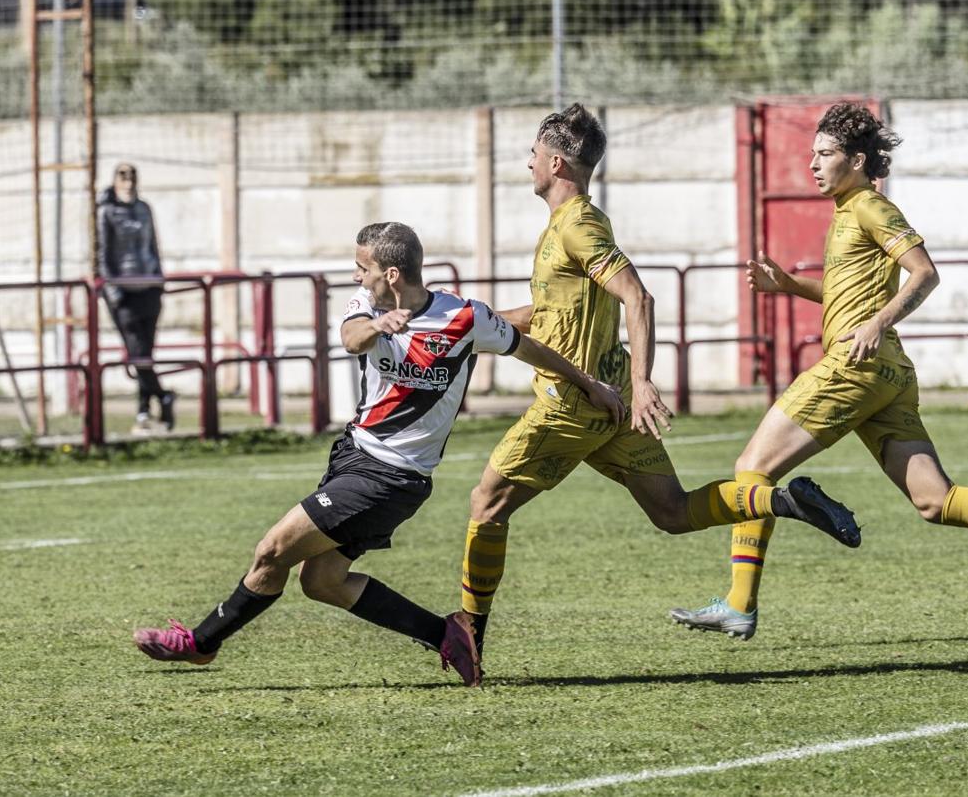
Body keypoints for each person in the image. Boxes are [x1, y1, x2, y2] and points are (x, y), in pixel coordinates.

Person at [670, 102, 968, 638]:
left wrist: (877, 322)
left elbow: (924, 274)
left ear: (855, 160)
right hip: (888, 375)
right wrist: (790, 286)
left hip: (855, 367)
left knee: (752, 470)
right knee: (934, 500)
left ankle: (740, 602)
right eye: (812, 154)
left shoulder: (871, 208)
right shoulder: (847, 212)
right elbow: (843, 294)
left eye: (825, 154)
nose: (813, 164)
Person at [133, 222, 629, 686]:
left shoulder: (464, 317)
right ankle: (446, 634)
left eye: (364, 268)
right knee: (323, 581)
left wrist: (591, 386)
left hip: (393, 478)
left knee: (272, 551)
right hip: (352, 456)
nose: (357, 275)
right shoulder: (365, 304)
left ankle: (201, 642)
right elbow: (350, 338)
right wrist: (378, 326)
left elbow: (527, 347)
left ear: (391, 273)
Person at [457, 103, 863, 665]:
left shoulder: (577, 223)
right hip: (611, 403)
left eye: (532, 154)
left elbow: (637, 296)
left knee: (486, 503)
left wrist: (645, 381)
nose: (527, 163)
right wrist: (473, 325)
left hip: (573, 404)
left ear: (555, 161)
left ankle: (468, 638)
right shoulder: (567, 226)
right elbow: (552, 310)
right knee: (672, 512)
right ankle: (785, 500)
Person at [97, 162, 175, 433]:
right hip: (124, 293)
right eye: (122, 176)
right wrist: (113, 291)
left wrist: (159, 281)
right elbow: (103, 254)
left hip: (149, 288)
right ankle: (163, 397)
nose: (128, 181)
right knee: (136, 353)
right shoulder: (106, 212)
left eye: (132, 176)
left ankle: (144, 412)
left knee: (146, 355)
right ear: (114, 180)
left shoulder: (144, 209)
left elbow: (154, 247)